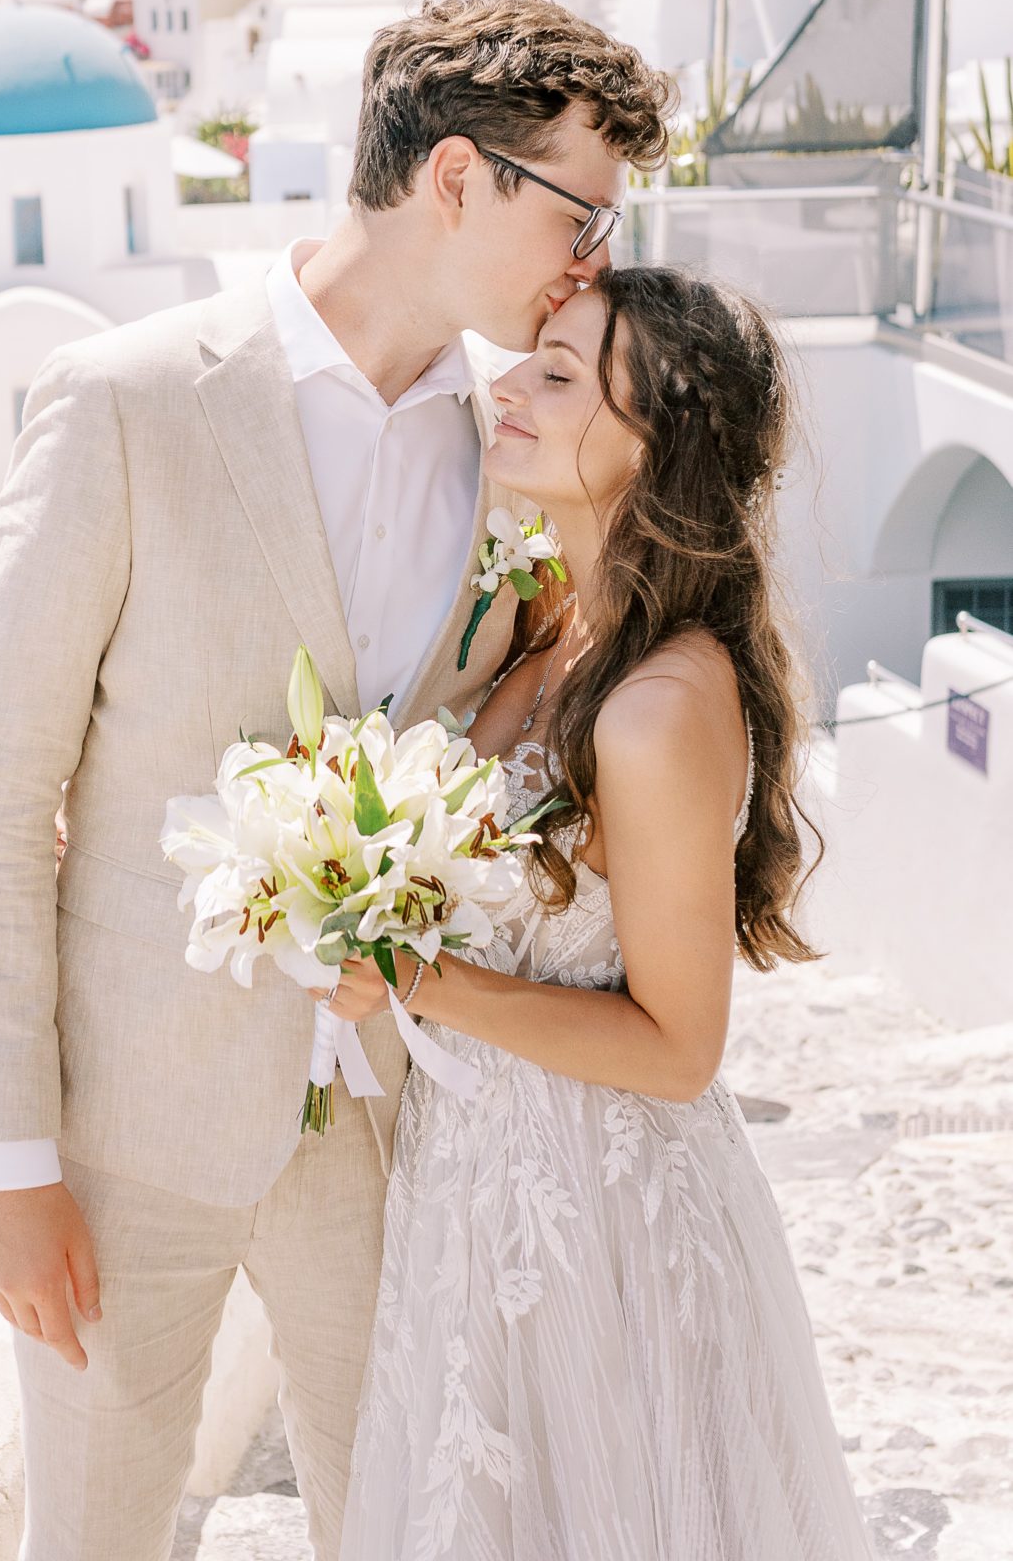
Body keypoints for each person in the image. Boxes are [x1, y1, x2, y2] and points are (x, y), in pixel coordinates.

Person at [0, 0, 675, 1561]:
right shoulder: (129, 401)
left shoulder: (516, 446)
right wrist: (4, 1157)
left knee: (410, 1531)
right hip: (133, 1127)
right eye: (581, 211)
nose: (593, 260)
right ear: (458, 179)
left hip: (406, 1135)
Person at [324, 263, 873, 1560]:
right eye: (532, 356)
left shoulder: (658, 704)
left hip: (602, 1220)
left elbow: (678, 1049)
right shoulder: (564, 631)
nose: (505, 382)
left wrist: (410, 977)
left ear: (658, 445)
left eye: (560, 376)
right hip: (480, 1201)